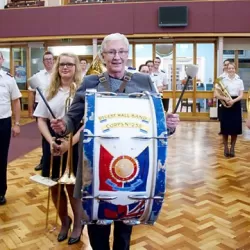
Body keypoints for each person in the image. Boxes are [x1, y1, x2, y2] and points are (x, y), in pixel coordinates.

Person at [50, 33, 179, 250]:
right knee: (96, 227)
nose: (116, 57)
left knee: (123, 231)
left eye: (121, 52)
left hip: (132, 166)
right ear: (102, 56)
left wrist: (170, 125)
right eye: (111, 52)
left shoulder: (144, 81)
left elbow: (158, 125)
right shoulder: (90, 82)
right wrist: (63, 125)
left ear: (128, 55)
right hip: (95, 166)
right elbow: (73, 116)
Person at [33, 52, 84, 245]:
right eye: (62, 64)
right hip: (52, 144)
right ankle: (65, 221)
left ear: (76, 67)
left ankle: (78, 224)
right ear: (57, 67)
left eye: (70, 64)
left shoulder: (81, 90)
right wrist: (51, 141)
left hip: (74, 143)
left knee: (72, 188)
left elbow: (86, 123)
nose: (65, 67)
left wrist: (68, 144)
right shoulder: (49, 90)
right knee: (54, 187)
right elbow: (41, 119)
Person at [0, 51, 21, 205]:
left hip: (3, 123)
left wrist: (17, 123)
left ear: (2, 60)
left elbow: (16, 101)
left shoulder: (8, 79)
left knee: (1, 158)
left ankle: (0, 192)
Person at [28, 51, 54, 171]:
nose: (49, 61)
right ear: (43, 62)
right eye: (46, 59)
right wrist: (30, 110)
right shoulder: (37, 76)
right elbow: (31, 93)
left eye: (51, 59)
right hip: (40, 106)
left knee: (56, 134)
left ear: (53, 61)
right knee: (44, 136)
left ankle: (56, 160)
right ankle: (44, 161)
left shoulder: (58, 75)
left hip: (55, 107)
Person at [214, 62, 244, 157]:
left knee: (235, 128)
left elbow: (241, 95)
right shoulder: (222, 80)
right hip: (226, 103)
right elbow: (216, 94)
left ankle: (232, 148)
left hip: (235, 104)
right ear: (227, 69)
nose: (231, 70)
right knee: (225, 127)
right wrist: (225, 99)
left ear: (235, 69)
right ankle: (226, 147)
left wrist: (233, 101)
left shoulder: (240, 81)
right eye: (229, 68)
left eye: (232, 68)